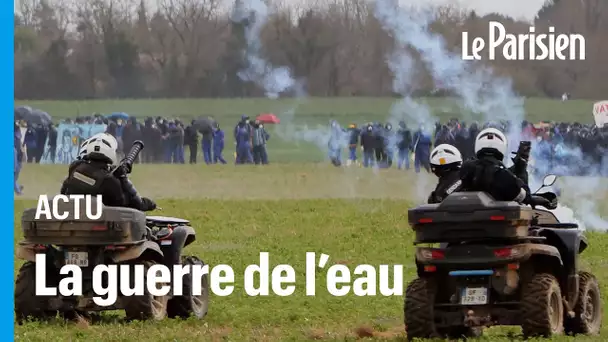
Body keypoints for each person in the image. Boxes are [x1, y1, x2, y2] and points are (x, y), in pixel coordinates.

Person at [458, 128, 554, 208]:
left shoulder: (465, 169)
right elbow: (523, 196)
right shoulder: (502, 176)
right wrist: (521, 168)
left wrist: (517, 167)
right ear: (502, 147)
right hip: (496, 227)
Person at [60, 133, 156, 211]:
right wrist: (123, 179)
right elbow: (127, 205)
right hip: (97, 226)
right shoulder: (109, 180)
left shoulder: (75, 167)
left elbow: (63, 191)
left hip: (71, 219)